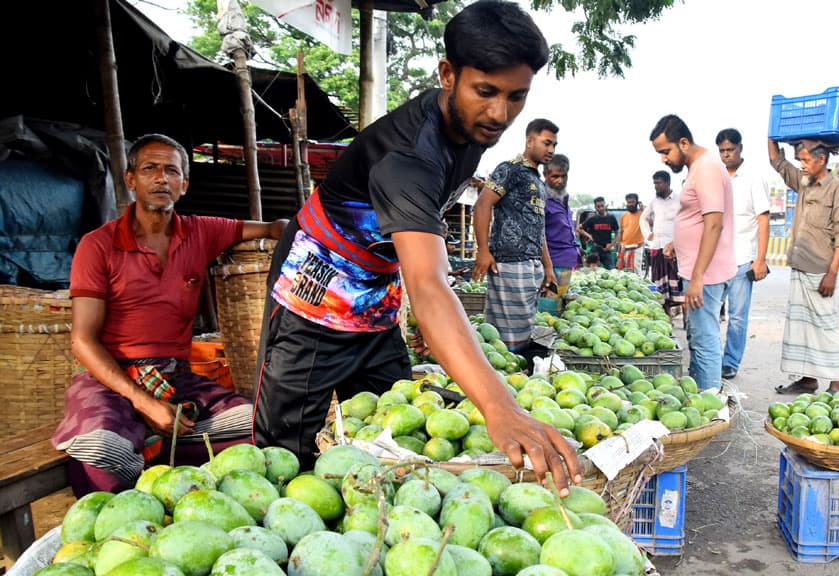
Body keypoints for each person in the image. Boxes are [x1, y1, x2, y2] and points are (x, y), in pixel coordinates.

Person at [252, 1, 580, 493]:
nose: (500, 114)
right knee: (284, 459)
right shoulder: (408, 158)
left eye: (517, 97)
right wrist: (500, 407)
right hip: (316, 295)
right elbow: (428, 284)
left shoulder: (472, 127)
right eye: (486, 92)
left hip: (378, 298)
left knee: (390, 430)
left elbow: (415, 257)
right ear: (447, 74)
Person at [52, 134, 286, 495]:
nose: (161, 178)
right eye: (150, 169)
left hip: (175, 375)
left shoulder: (200, 232)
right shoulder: (98, 244)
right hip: (107, 376)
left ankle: (154, 459)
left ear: (184, 184)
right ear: (131, 180)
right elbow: (83, 341)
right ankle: (136, 465)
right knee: (100, 451)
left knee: (258, 428)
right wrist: (144, 401)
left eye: (171, 171)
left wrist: (292, 230)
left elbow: (272, 228)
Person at [650, 115, 736, 390]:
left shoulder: (707, 168)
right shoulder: (698, 168)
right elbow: (699, 218)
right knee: (697, 337)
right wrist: (678, 241)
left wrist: (697, 276)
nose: (664, 159)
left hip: (706, 275)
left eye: (666, 151)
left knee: (705, 339)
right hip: (698, 270)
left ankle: (709, 405)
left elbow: (714, 224)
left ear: (683, 142)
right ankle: (699, 394)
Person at [768, 138, 839, 395]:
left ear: (821, 160)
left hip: (820, 271)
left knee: (824, 328)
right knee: (801, 328)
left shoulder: (838, 190)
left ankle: (836, 382)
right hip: (799, 266)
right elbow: (777, 161)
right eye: (800, 161)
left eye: (805, 160)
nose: (801, 165)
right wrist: (773, 132)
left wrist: (832, 273)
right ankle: (807, 379)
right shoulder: (804, 183)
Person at [473, 118, 559, 353]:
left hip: (532, 265)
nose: (551, 150)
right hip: (509, 263)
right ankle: (500, 378)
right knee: (504, 333)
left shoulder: (536, 180)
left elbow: (537, 227)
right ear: (530, 140)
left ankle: (515, 375)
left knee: (523, 328)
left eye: (554, 145)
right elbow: (482, 205)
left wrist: (548, 267)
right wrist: (483, 250)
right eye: (547, 143)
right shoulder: (510, 169)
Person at [716, 129, 771, 380]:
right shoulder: (717, 178)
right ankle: (712, 358)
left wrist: (760, 260)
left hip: (742, 259)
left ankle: (730, 363)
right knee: (709, 313)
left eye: (730, 150)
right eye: (722, 151)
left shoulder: (753, 178)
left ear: (740, 148)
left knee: (737, 316)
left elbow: (763, 219)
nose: (727, 155)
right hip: (716, 259)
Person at [640, 170, 683, 315]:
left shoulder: (679, 200)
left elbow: (685, 222)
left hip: (674, 248)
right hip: (656, 247)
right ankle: (665, 315)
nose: (656, 186)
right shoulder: (654, 202)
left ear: (667, 183)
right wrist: (648, 234)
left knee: (677, 284)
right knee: (659, 285)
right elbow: (643, 218)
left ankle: (684, 319)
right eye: (654, 183)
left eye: (658, 183)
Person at [542, 153, 580, 295]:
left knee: (558, 305)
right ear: (545, 175)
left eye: (564, 176)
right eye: (555, 176)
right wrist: (548, 267)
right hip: (552, 262)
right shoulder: (542, 199)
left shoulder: (563, 197)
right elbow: (539, 234)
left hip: (565, 261)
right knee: (549, 309)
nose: (560, 181)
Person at [579, 197, 619, 269]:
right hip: (595, 248)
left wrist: (611, 245)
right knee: (592, 271)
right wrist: (589, 235)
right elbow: (578, 228)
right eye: (598, 206)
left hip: (606, 249)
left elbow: (617, 233)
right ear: (595, 207)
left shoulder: (611, 218)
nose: (600, 208)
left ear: (605, 205)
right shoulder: (593, 219)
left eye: (602, 206)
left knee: (611, 271)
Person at [617, 193, 645, 273]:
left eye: (632, 202)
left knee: (635, 271)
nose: (630, 204)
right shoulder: (624, 215)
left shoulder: (642, 215)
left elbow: (650, 223)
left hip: (637, 247)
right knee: (625, 272)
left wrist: (642, 210)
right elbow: (621, 231)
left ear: (637, 202)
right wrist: (619, 244)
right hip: (624, 248)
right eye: (628, 202)